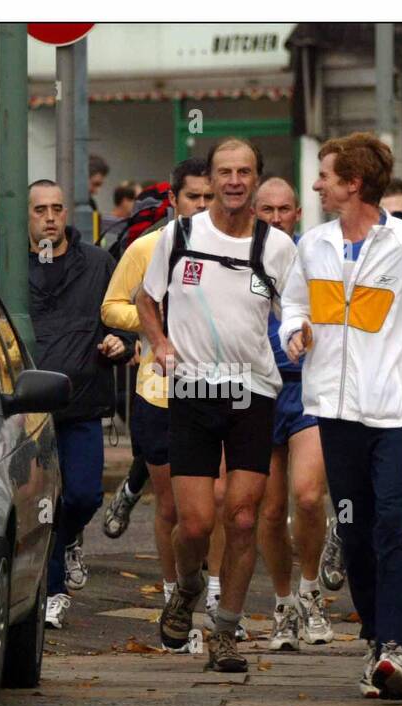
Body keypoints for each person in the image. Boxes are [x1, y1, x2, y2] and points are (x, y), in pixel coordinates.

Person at [280, 132, 402, 699]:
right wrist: (294, 331)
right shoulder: (313, 245)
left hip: (399, 414)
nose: (316, 184)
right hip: (336, 412)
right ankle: (376, 639)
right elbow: (294, 303)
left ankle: (395, 646)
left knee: (394, 523)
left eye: (324, 176)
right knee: (356, 527)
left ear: (353, 184)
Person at [137, 138, 297, 672]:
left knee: (245, 516)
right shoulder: (179, 235)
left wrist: (299, 334)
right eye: (224, 172)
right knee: (198, 523)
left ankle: (225, 631)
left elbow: (294, 310)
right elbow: (145, 298)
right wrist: (159, 343)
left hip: (252, 390)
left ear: (256, 179)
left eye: (244, 172)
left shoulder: (278, 248)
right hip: (193, 390)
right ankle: (186, 587)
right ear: (211, 179)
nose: (234, 181)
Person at [100, 159, 214, 649]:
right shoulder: (148, 248)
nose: (203, 207)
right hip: (160, 389)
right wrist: (155, 324)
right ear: (174, 201)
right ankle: (176, 599)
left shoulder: (237, 249)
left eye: (210, 198)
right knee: (171, 504)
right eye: (194, 198)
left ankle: (216, 600)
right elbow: (111, 306)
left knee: (222, 502)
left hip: (221, 387)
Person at [26, 180, 134, 628]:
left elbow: (123, 314)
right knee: (41, 505)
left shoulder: (97, 263)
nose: (50, 217)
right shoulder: (9, 271)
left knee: (84, 494)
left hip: (83, 401)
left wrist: (121, 341)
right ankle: (52, 593)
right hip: (29, 409)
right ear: (26, 217)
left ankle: (69, 540)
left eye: (57, 208)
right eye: (39, 210)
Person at [252, 177, 336, 650]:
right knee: (268, 507)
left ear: (298, 212)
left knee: (307, 496)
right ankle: (282, 606)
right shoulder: (240, 256)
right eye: (267, 210)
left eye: (285, 209)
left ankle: (311, 593)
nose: (277, 218)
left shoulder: (315, 254)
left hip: (307, 388)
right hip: (258, 391)